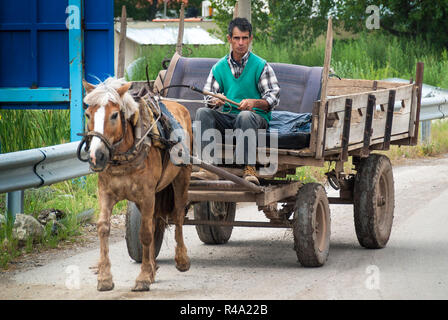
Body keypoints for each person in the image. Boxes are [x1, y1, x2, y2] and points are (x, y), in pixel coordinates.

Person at [192, 17, 280, 185]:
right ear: (229, 39)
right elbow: (208, 97)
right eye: (237, 38)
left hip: (255, 119)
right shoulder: (218, 67)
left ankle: (249, 169)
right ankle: (208, 168)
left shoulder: (261, 66)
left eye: (245, 38)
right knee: (202, 112)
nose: (241, 43)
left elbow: (273, 97)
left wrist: (254, 103)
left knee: (245, 116)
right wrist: (215, 100)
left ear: (250, 39)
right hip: (228, 117)